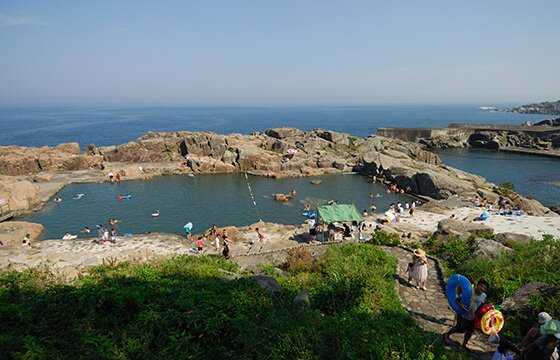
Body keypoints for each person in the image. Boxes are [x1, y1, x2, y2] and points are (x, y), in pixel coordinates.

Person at [443, 279, 489, 350]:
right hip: (463, 315)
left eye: (484, 288)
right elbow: (457, 300)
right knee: (459, 329)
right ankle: (447, 334)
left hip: (473, 317)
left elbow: (481, 305)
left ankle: (464, 344)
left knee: (469, 332)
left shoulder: (484, 296)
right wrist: (460, 305)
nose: (482, 288)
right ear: (477, 285)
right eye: (481, 286)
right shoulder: (469, 292)